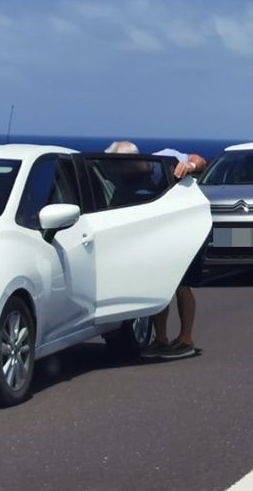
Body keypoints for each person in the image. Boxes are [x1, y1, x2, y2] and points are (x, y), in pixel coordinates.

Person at [105, 140, 208, 359]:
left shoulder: (165, 158)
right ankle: (161, 338)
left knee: (182, 284)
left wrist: (189, 166)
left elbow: (200, 160)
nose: (119, 170)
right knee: (159, 284)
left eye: (122, 165)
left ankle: (185, 339)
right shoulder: (123, 180)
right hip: (159, 232)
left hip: (188, 226)